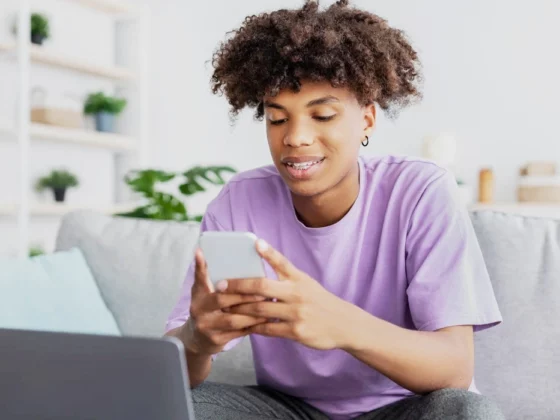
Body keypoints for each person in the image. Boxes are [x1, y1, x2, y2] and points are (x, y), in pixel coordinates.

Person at [165, 1, 504, 419]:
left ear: (367, 120)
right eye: (276, 119)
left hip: (399, 408)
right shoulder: (239, 201)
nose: (296, 138)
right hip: (287, 410)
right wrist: (198, 338)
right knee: (171, 406)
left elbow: (454, 366)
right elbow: (179, 365)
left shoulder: (420, 191)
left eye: (322, 115)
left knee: (465, 413)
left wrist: (339, 323)